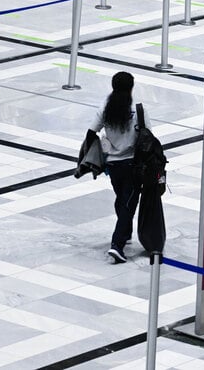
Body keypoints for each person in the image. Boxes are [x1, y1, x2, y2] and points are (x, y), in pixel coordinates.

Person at [88, 71, 149, 264]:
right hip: (132, 164)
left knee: (122, 199)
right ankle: (117, 246)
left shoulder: (106, 109)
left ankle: (126, 231)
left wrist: (99, 155)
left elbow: (91, 133)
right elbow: (148, 137)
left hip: (113, 165)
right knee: (128, 204)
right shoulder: (138, 110)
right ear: (131, 87)